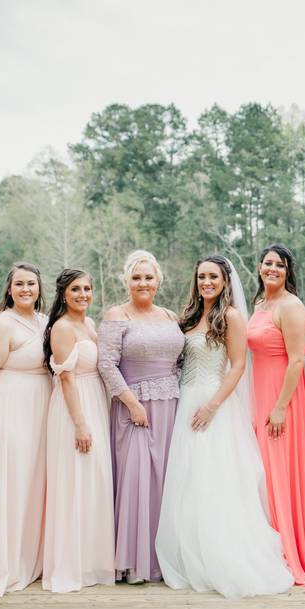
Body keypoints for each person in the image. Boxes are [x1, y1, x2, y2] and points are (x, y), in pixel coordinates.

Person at [156, 255, 294, 598]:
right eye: (201, 276)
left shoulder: (231, 317)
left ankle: (223, 557)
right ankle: (192, 557)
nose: (206, 282)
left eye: (213, 277)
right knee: (188, 479)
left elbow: (237, 366)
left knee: (214, 479)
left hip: (213, 403)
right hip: (186, 400)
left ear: (224, 281)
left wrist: (213, 405)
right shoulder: (189, 316)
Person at [98, 250, 184, 584]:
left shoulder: (170, 316)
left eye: (148, 277)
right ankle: (133, 563)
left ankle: (162, 560)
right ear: (126, 281)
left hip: (170, 407)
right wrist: (132, 403)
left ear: (158, 280)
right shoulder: (117, 315)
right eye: (136, 277)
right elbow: (106, 364)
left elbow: (178, 363)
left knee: (165, 481)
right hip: (133, 408)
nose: (143, 283)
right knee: (135, 481)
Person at [246, 243, 305, 585]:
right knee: (259, 471)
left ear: (288, 271)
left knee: (277, 472)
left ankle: (287, 550)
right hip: (257, 390)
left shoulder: (291, 306)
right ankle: (261, 545)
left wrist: (279, 408)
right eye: (267, 263)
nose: (271, 269)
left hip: (281, 395)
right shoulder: (260, 303)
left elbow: (297, 360)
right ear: (259, 267)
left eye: (279, 264)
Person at [0, 263, 50, 595]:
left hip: (43, 407)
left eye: (31, 284)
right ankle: (8, 563)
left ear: (38, 288)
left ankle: (34, 558)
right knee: (14, 481)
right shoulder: (2, 325)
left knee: (37, 483)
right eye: (19, 284)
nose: (25, 289)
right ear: (9, 289)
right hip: (12, 406)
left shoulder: (46, 322)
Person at [41, 269, 115, 593]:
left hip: (95, 400)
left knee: (95, 480)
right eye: (76, 289)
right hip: (75, 407)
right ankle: (72, 564)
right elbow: (66, 378)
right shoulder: (61, 327)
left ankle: (93, 561)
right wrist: (80, 423)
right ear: (63, 293)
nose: (83, 294)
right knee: (76, 478)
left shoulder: (89, 324)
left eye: (87, 288)